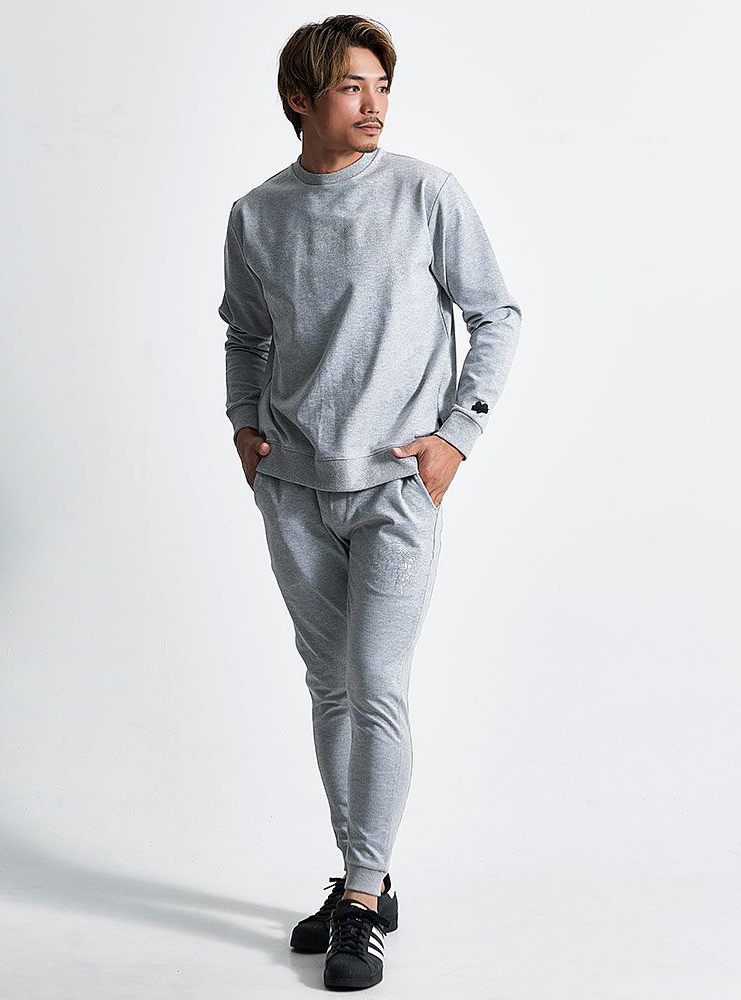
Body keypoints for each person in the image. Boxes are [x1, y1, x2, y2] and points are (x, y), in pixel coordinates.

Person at [220, 14, 522, 991]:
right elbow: (244, 336)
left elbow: (495, 313)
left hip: (396, 486)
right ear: (300, 99)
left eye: (382, 86)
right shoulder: (256, 215)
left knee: (377, 680)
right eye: (353, 86)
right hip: (295, 489)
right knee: (329, 685)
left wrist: (457, 435)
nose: (375, 104)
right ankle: (365, 875)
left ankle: (358, 897)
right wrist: (245, 427)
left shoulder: (427, 194)